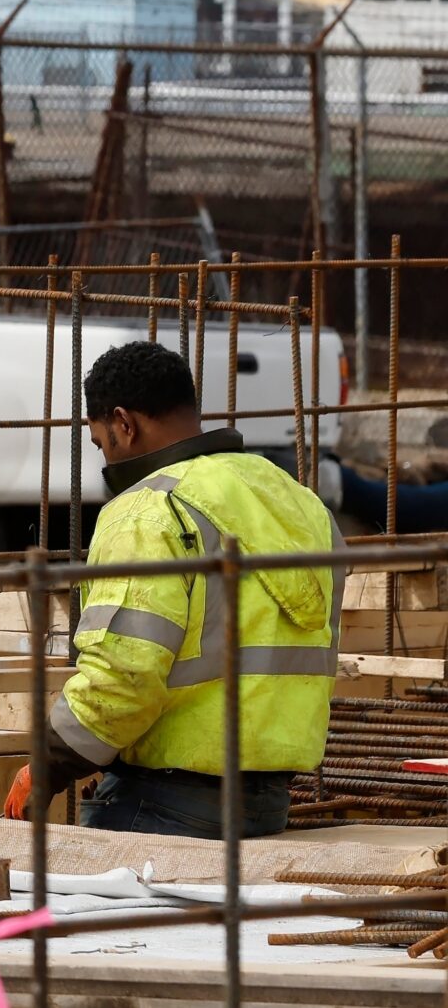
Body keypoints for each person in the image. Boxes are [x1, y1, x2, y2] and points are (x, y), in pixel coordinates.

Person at [18, 340, 339, 838]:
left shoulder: (148, 511)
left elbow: (122, 676)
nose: (105, 459)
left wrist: (47, 766)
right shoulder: (294, 499)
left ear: (124, 424)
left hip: (163, 802)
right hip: (267, 806)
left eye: (102, 443)